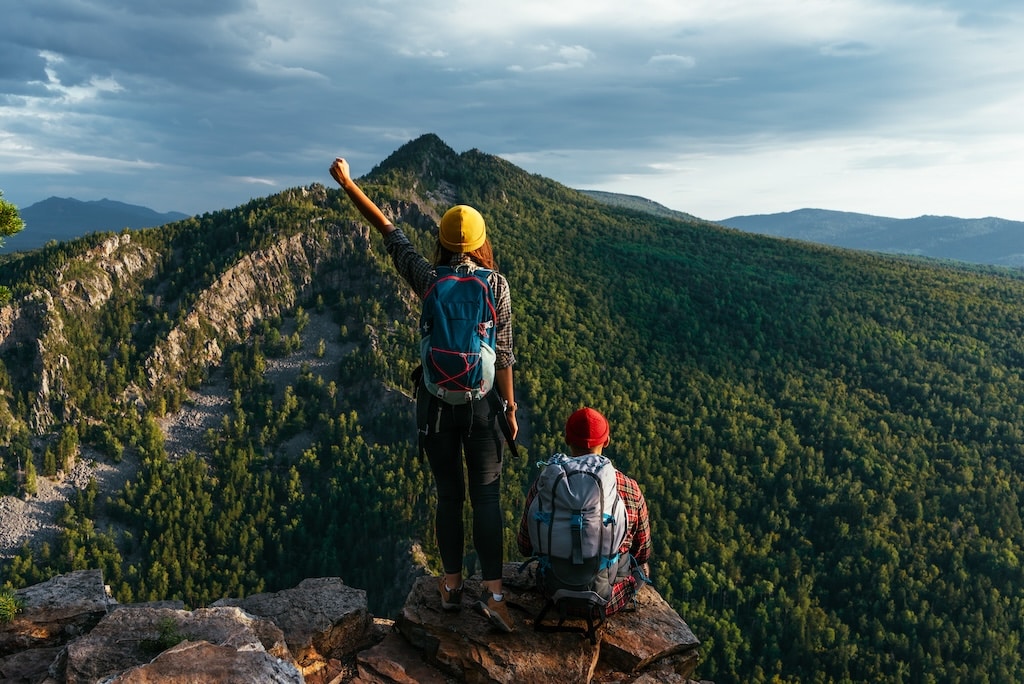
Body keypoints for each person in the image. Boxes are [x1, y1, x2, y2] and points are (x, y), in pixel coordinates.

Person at [330, 157, 519, 632]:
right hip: (481, 409)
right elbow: (507, 353)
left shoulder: (429, 279)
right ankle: (494, 595)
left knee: (449, 496)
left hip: (435, 407)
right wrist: (510, 408)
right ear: (479, 243)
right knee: (487, 497)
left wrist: (349, 183)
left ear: (443, 240)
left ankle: (451, 588)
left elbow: (388, 230)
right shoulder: (495, 284)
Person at [517, 407, 651, 616]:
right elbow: (642, 551)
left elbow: (525, 546)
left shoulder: (546, 485)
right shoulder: (627, 488)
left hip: (553, 592)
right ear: (606, 441)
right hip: (606, 598)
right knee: (641, 568)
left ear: (567, 439)